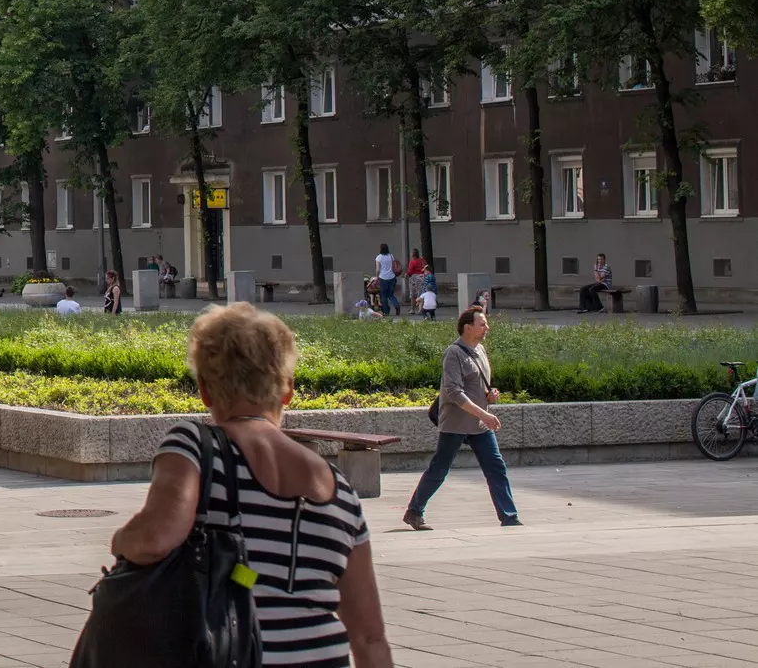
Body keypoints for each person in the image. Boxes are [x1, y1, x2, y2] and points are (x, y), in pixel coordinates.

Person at [108, 303, 388, 668]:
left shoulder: (194, 445)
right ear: (288, 390)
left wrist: (120, 542)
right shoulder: (339, 489)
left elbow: (154, 539)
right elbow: (369, 637)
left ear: (205, 390)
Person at [404, 307, 520, 531]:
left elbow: (478, 385)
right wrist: (484, 413)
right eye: (482, 324)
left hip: (479, 424)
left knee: (496, 467)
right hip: (456, 424)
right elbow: (454, 393)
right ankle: (414, 511)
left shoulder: (481, 351)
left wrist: (490, 395)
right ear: (468, 327)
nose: (487, 328)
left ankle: (509, 516)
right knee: (439, 469)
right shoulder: (453, 353)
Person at [374, 243, 401, 318]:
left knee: (383, 296)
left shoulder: (378, 257)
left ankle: (386, 311)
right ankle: (396, 306)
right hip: (392, 277)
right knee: (391, 294)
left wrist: (376, 278)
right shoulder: (391, 256)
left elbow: (377, 269)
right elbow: (394, 267)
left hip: (383, 278)